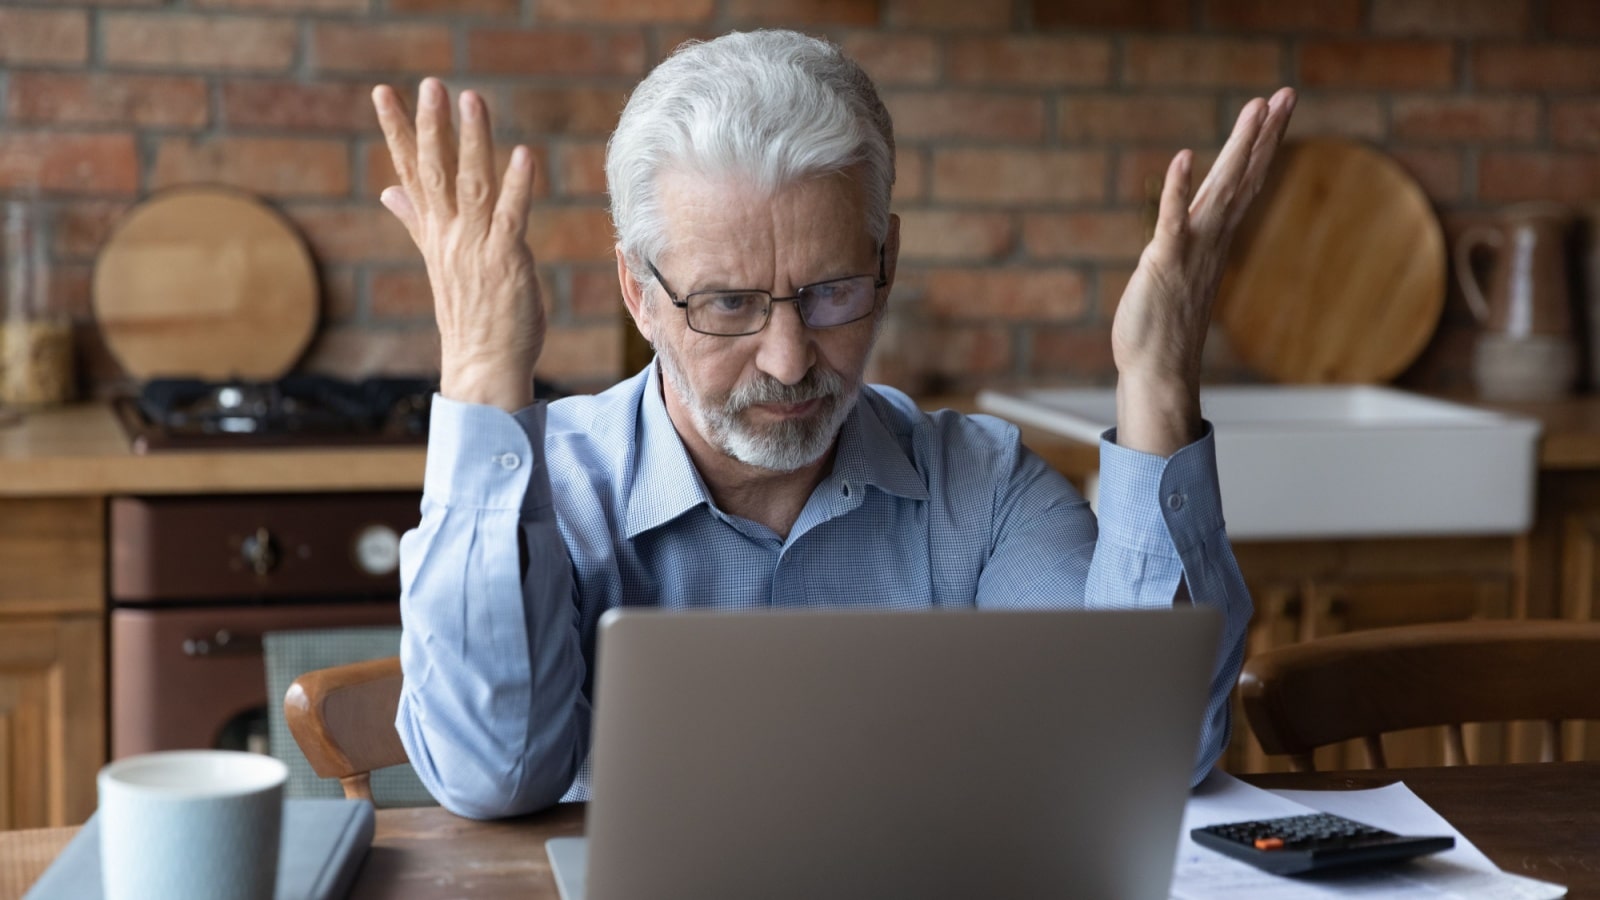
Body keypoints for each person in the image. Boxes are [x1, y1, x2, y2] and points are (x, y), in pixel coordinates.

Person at [371, 29, 1294, 820]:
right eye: (728, 303)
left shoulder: (981, 491)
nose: (787, 358)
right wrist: (486, 372)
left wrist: (1160, 378)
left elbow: (1146, 750)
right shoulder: (552, 495)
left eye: (830, 293)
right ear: (638, 293)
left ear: (887, 261)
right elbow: (493, 776)